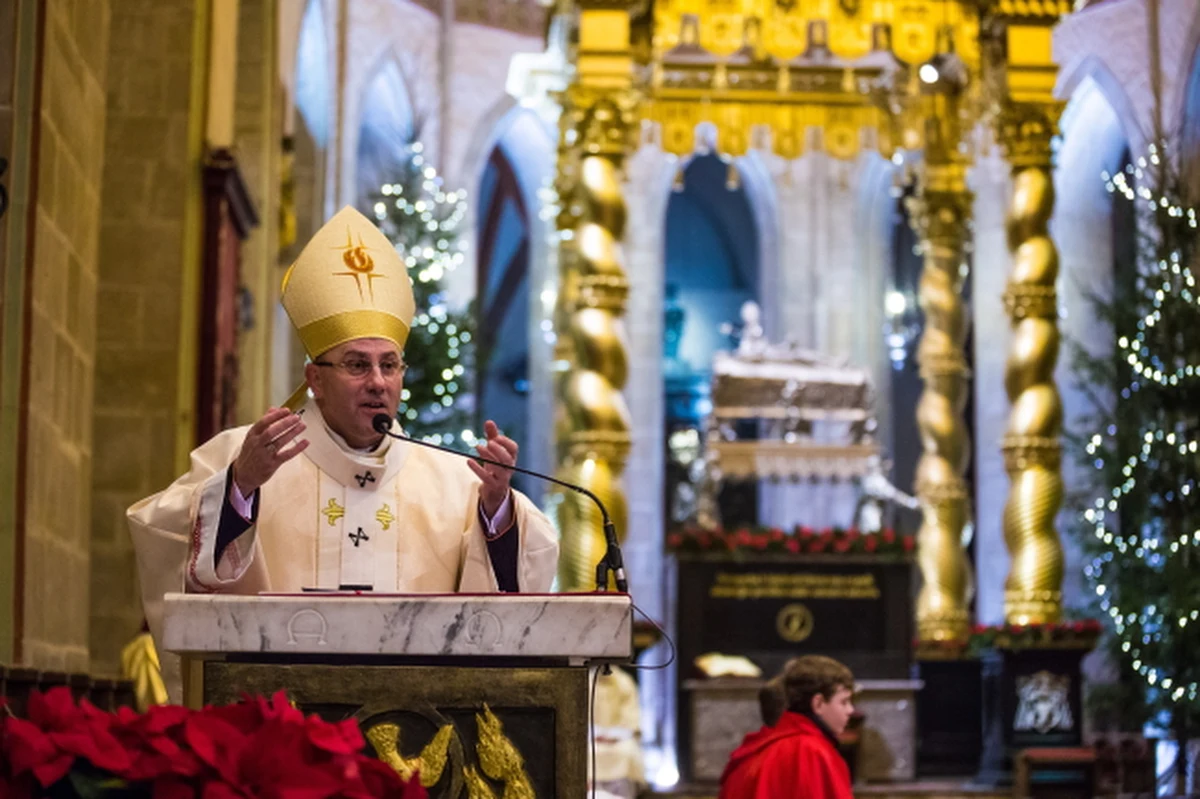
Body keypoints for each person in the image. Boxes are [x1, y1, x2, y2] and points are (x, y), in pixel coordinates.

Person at [127, 206, 560, 670]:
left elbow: (523, 579)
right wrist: (239, 490)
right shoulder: (247, 456)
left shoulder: (459, 481)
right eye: (357, 365)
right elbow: (160, 531)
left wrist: (496, 512)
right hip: (282, 719)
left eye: (389, 365)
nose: (378, 381)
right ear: (315, 378)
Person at [718, 655, 856, 799]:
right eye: (844, 702)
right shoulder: (812, 752)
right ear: (818, 703)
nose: (850, 710)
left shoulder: (753, 753)